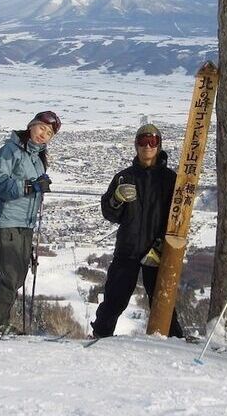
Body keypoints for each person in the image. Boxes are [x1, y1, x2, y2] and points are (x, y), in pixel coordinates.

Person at [90, 124, 185, 339]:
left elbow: (178, 217)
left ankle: (175, 338)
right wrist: (116, 199)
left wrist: (161, 244)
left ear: (159, 145)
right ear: (136, 145)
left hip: (157, 250)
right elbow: (110, 213)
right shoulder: (124, 177)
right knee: (115, 297)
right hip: (128, 248)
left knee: (162, 299)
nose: (147, 146)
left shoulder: (171, 180)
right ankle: (100, 333)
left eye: (153, 141)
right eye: (143, 141)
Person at [0, 111, 61, 335]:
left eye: (49, 133)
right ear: (31, 125)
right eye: (41, 128)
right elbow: (0, 184)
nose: (43, 135)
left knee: (17, 276)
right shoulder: (11, 151)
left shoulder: (36, 157)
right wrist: (30, 186)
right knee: (11, 275)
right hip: (6, 220)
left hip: (25, 223)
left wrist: (37, 185)